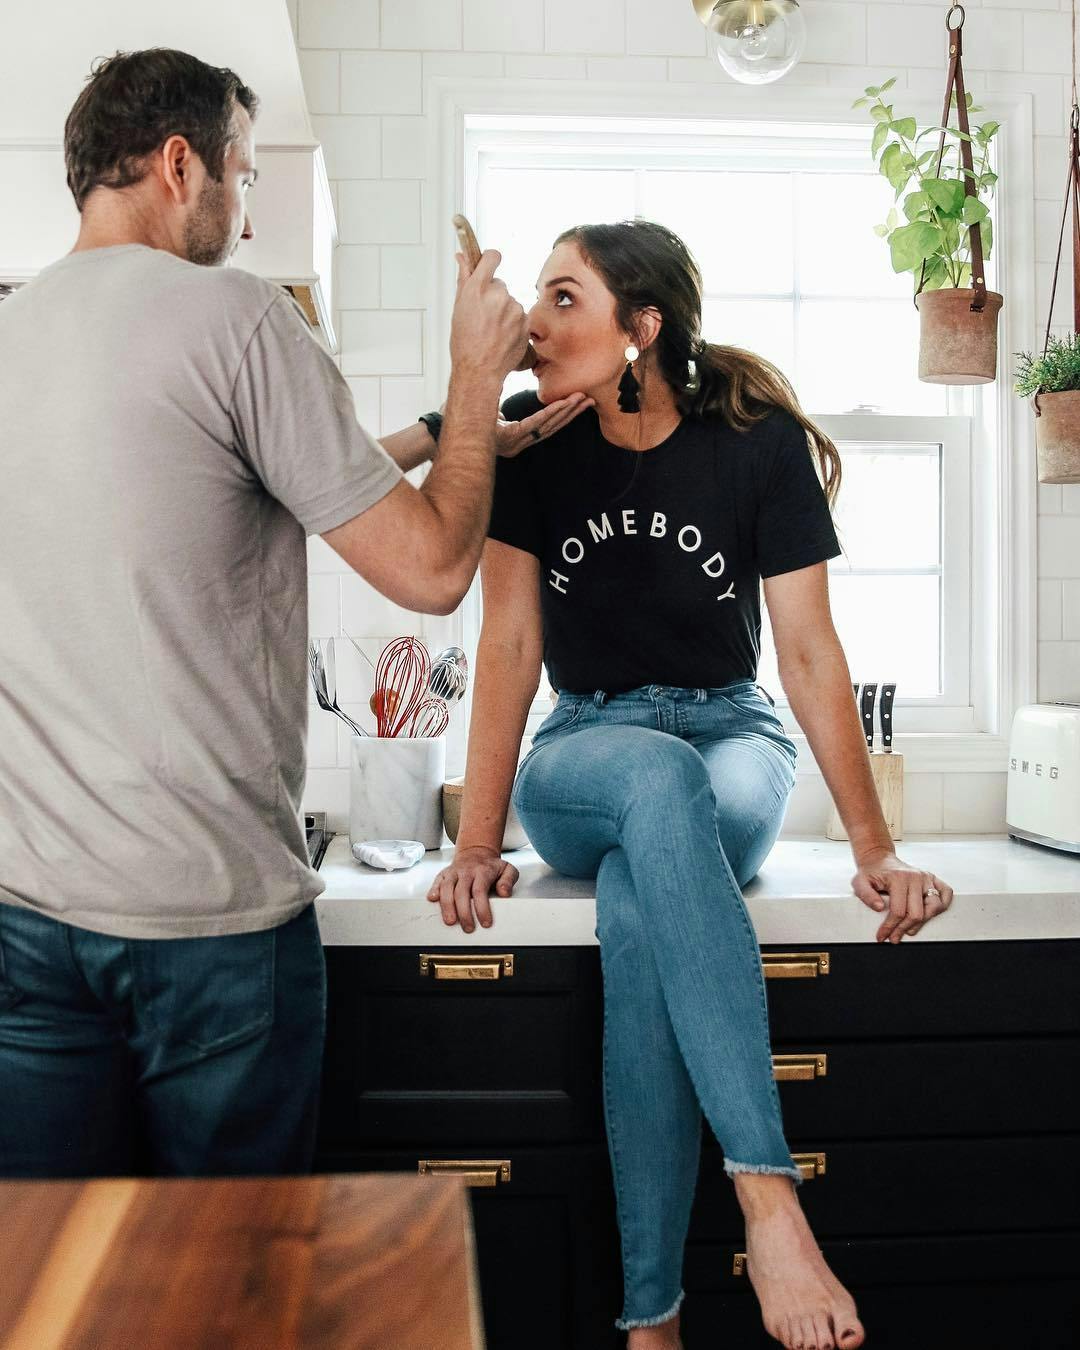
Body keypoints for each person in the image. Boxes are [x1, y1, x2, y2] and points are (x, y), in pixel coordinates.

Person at [0, 46, 589, 1180]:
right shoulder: (236, 316)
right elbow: (430, 574)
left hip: (26, 919)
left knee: (53, 1284)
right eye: (245, 175)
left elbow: (246, 474)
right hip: (208, 931)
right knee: (235, 1286)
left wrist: (454, 436)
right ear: (181, 164)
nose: (248, 215)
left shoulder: (15, 334)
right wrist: (475, 382)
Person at [428, 219, 956, 1350]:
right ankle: (768, 1199)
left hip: (731, 737)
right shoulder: (528, 444)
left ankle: (649, 1322)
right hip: (587, 746)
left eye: (565, 299)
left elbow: (808, 653)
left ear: (642, 328)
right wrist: (479, 840)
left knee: (641, 900)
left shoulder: (751, 444)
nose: (533, 321)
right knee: (652, 782)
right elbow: (511, 644)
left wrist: (873, 846)